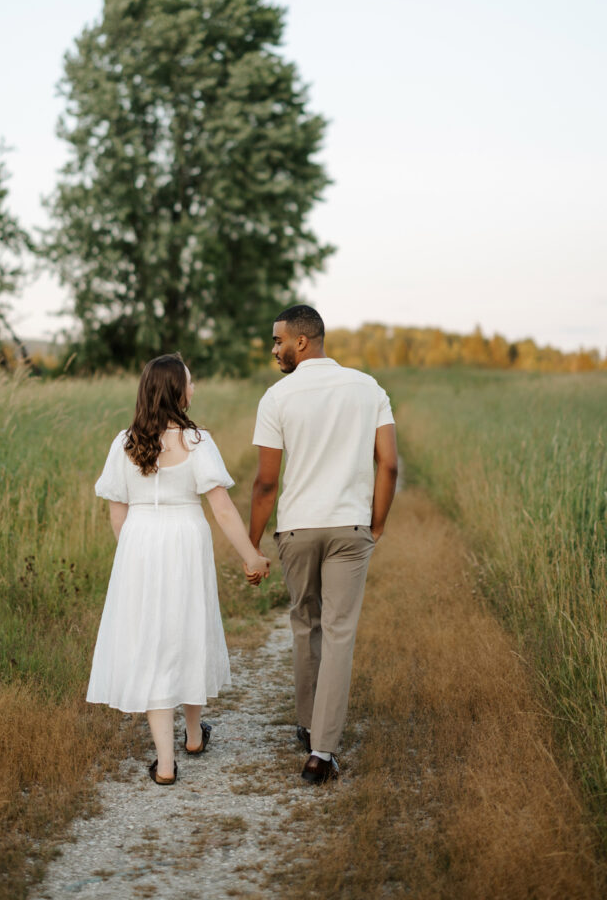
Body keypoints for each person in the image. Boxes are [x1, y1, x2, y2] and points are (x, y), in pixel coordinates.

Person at [87, 353, 270, 785]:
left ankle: (166, 763)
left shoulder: (124, 442)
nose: (195, 389)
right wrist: (251, 556)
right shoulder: (196, 441)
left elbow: (118, 514)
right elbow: (221, 509)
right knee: (187, 632)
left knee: (153, 643)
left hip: (140, 542)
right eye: (189, 382)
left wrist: (133, 555)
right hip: (186, 539)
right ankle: (192, 735)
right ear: (175, 391)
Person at [247, 305, 398, 784]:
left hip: (297, 528)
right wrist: (375, 525)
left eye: (278, 341)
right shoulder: (368, 388)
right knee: (338, 632)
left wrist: (252, 545)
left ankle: (309, 724)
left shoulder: (277, 397)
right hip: (349, 527)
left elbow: (266, 484)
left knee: (305, 623)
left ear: (302, 342)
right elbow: (389, 465)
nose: (274, 350)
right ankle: (323, 752)